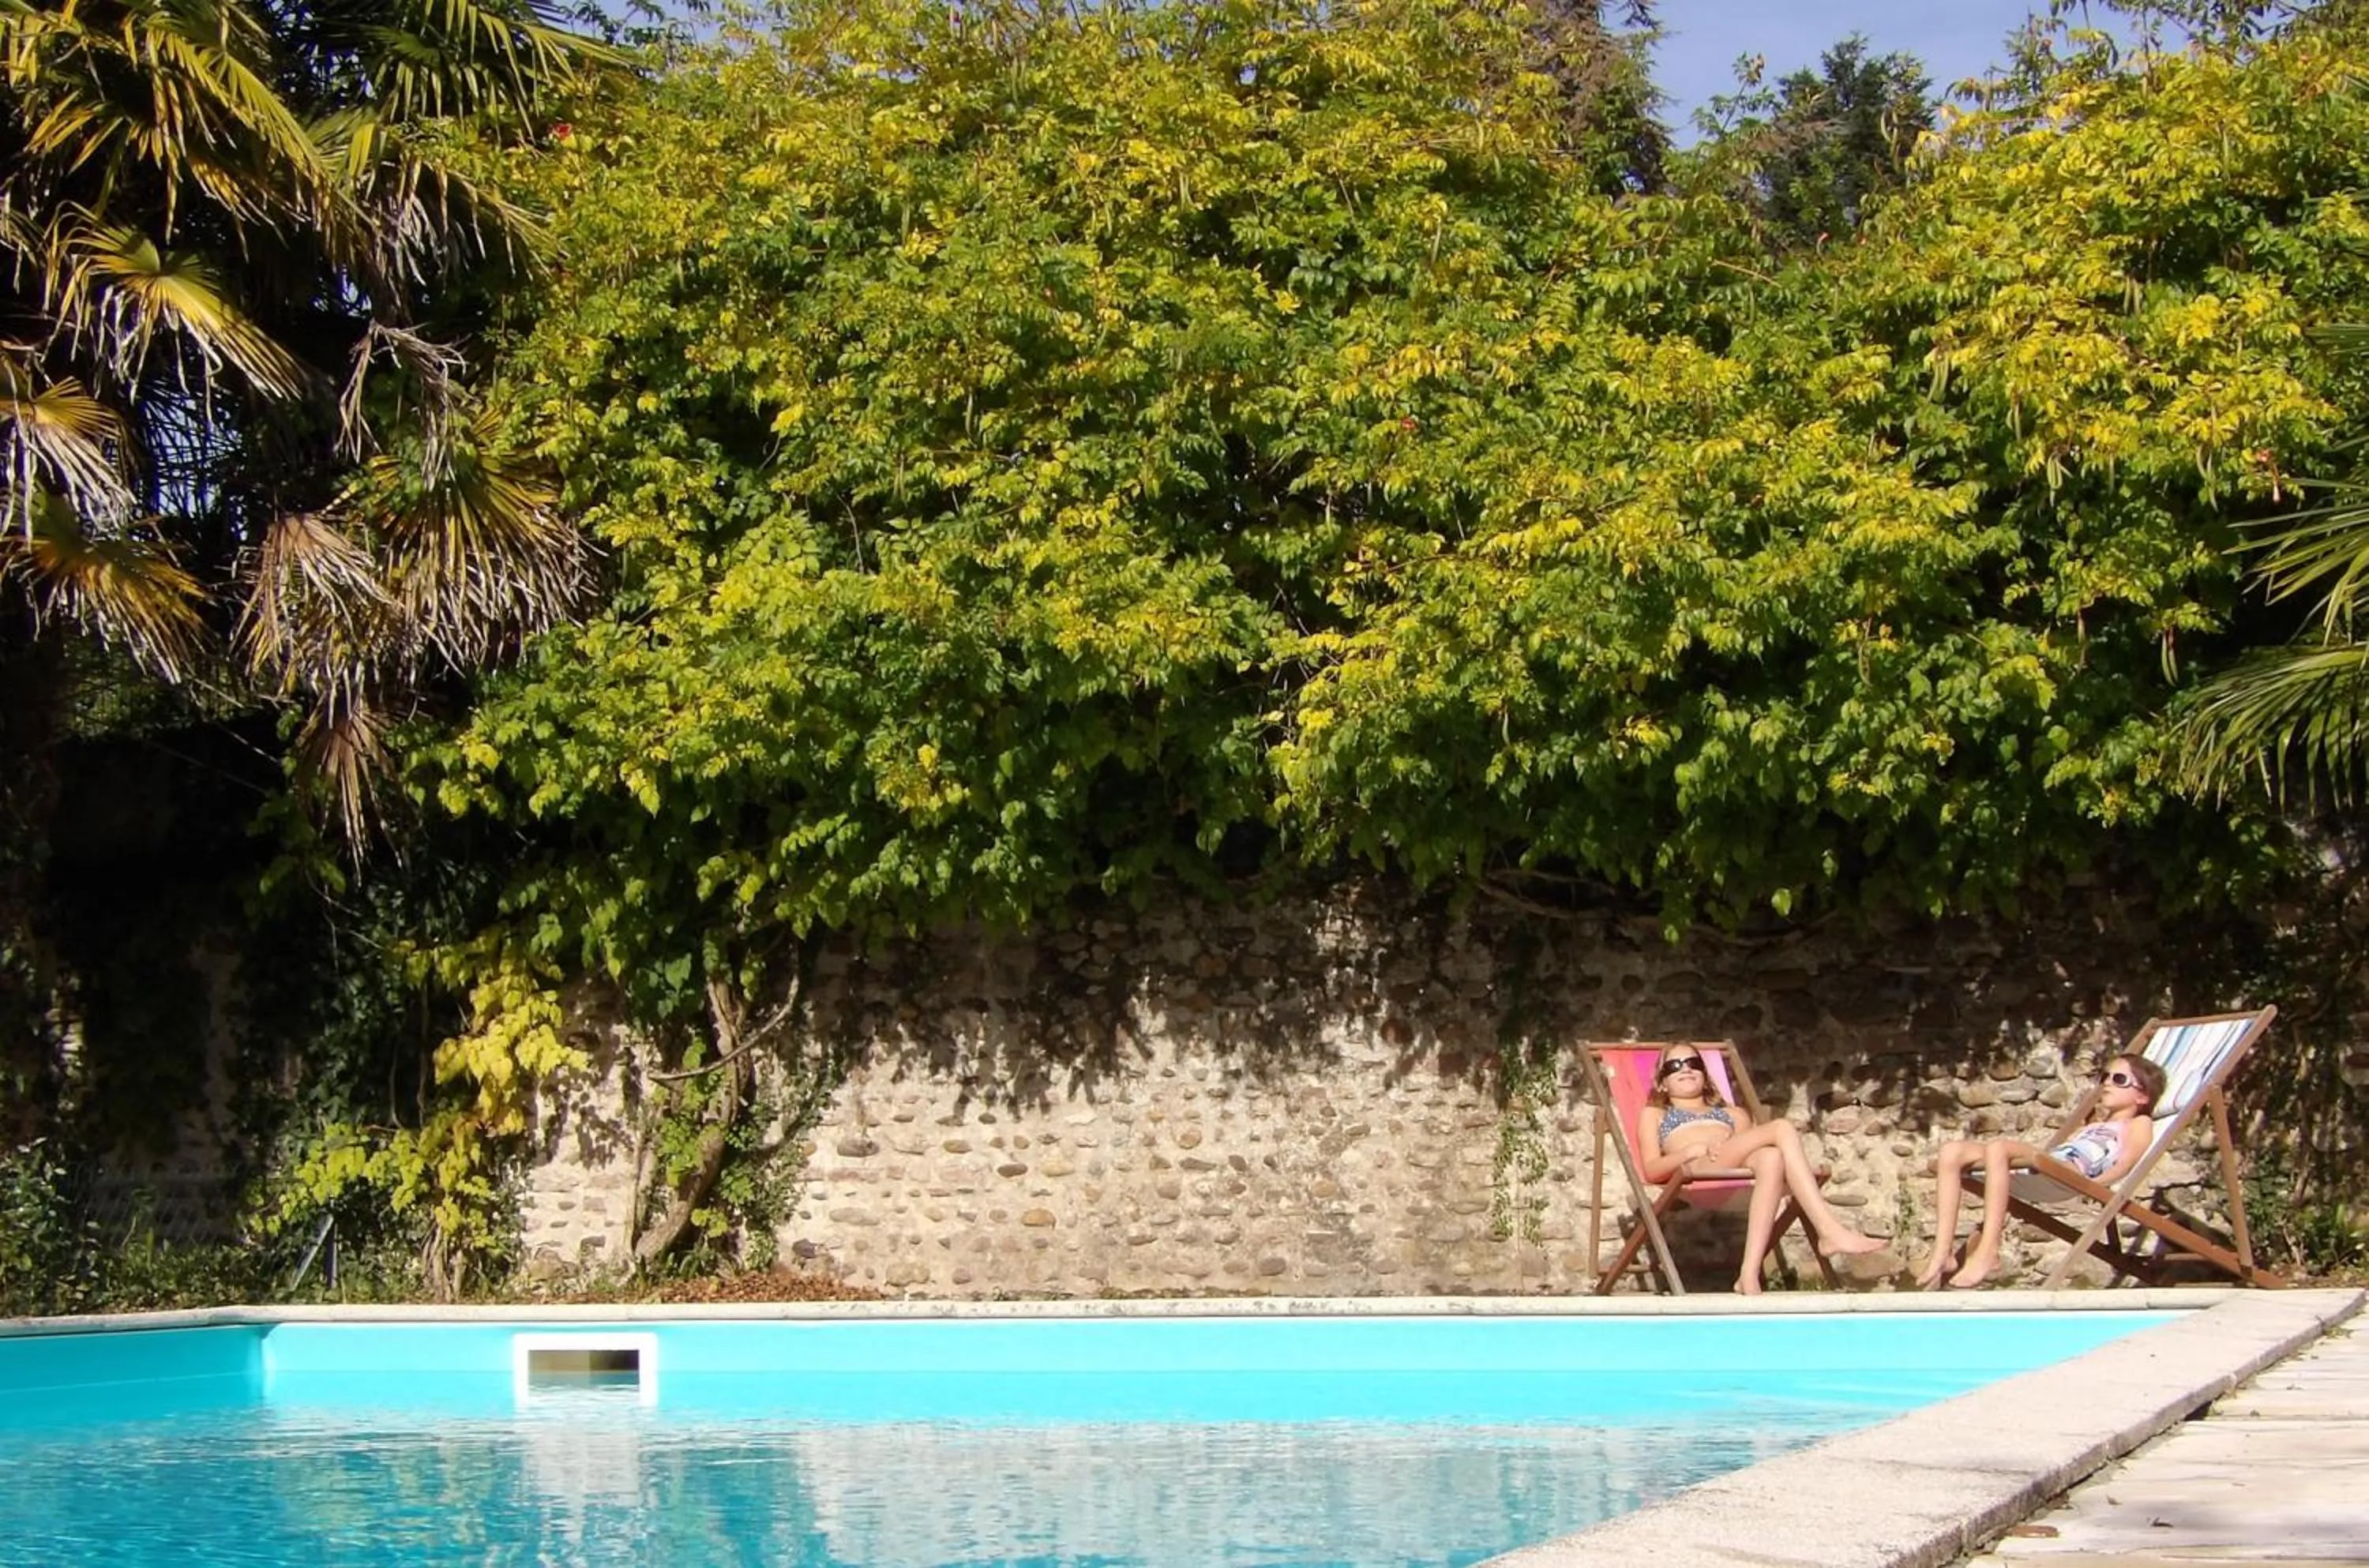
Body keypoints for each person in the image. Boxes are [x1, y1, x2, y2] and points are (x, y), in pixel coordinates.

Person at [1636, 1044, 1888, 1295]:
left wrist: (1726, 1144)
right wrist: (1687, 1152)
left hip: (1733, 1178)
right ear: (1662, 1082)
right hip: (1696, 1176)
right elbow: (1651, 1170)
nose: (1686, 1070)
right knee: (1781, 1128)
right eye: (1674, 1066)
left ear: (1705, 1075)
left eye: (1694, 1064)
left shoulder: (1733, 1114)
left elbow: (1749, 1156)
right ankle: (1828, 1230)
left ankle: (1748, 1274)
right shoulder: (1656, 1115)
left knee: (1771, 1157)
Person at [1915, 1053, 2168, 1289]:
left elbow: (2126, 1162)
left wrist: (2097, 1185)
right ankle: (1942, 1253)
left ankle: (1989, 1249)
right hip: (2048, 1167)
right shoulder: (2094, 1124)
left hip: (2072, 1174)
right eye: (2105, 1077)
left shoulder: (2139, 1123)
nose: (2108, 1083)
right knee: (1952, 1151)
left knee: (1998, 1148)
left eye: (2119, 1079)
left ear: (2142, 1097)